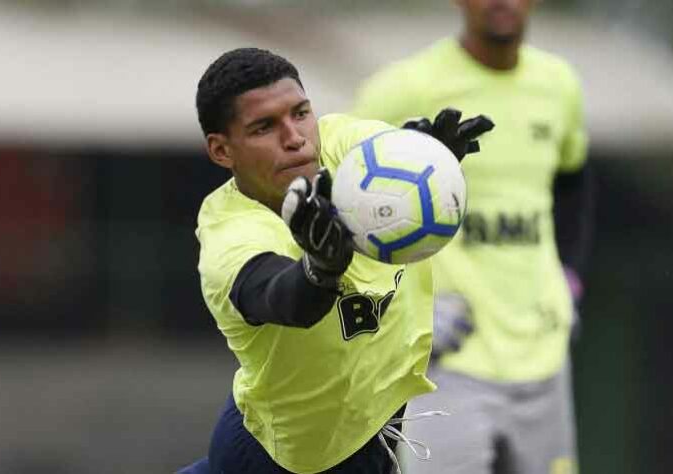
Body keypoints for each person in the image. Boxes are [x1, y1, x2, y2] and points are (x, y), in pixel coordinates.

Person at [181, 47, 493, 474]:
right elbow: (287, 300)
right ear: (221, 150)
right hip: (282, 460)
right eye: (263, 127)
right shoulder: (230, 233)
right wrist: (320, 269)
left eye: (300, 112)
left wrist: (427, 163)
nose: (295, 137)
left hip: (364, 439)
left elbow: (391, 158)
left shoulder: (342, 146)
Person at [351, 1, 595, 473]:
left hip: (543, 357)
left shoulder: (559, 85)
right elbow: (342, 204)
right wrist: (401, 313)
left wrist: (569, 282)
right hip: (448, 363)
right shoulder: (403, 88)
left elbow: (575, 183)